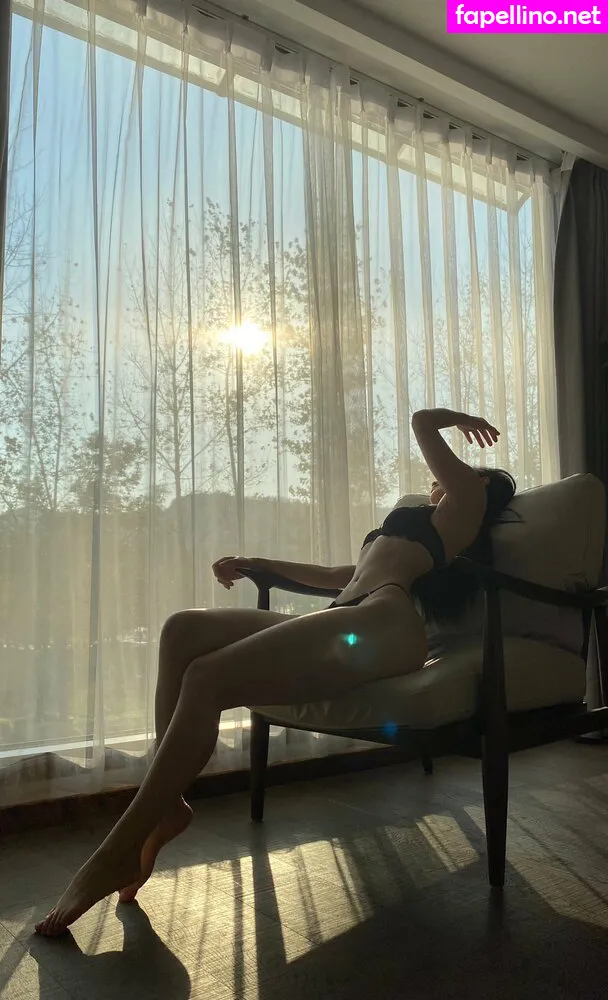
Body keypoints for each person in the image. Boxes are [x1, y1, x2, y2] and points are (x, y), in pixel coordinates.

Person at [35, 407, 516, 936]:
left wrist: (457, 420)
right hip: (351, 612)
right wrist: (256, 563)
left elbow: (421, 421)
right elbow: (336, 576)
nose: (440, 480)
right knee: (182, 630)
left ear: (479, 486)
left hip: (385, 621)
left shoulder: (467, 505)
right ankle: (168, 805)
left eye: (462, 473)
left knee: (206, 677)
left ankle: (120, 846)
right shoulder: (414, 525)